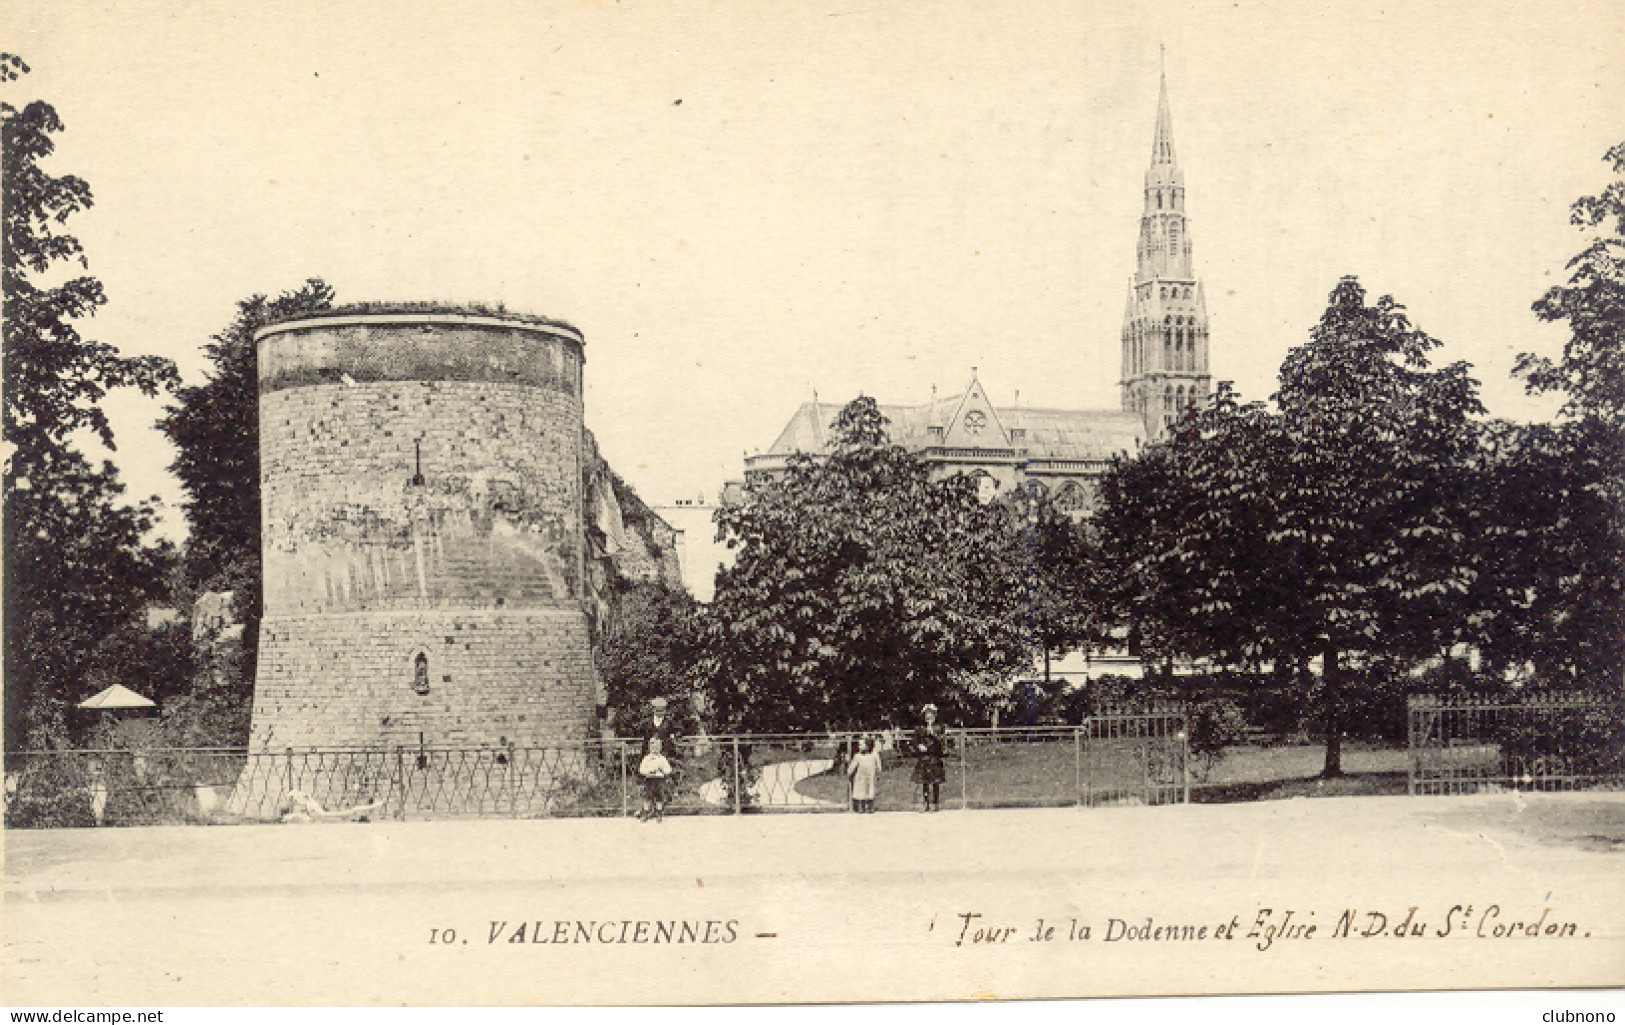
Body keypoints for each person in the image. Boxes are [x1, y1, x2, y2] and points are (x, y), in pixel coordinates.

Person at [911, 704, 947, 812]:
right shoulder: (920, 728)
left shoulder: (939, 727)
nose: (928, 717)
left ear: (935, 716)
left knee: (936, 781)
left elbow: (942, 742)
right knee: (925, 781)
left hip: (934, 756)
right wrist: (918, 746)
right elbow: (914, 741)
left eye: (931, 714)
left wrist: (934, 734)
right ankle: (925, 803)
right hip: (924, 757)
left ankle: (935, 803)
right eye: (927, 714)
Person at [637, 735, 673, 822]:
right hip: (649, 779)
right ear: (649, 748)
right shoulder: (647, 759)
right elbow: (641, 769)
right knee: (648, 797)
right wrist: (649, 771)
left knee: (659, 797)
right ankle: (645, 814)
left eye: (657, 748)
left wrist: (662, 769)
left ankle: (659, 814)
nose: (655, 750)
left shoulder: (662, 759)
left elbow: (668, 770)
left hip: (659, 779)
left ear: (660, 748)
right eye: (653, 748)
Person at [846, 734, 882, 813]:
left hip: (870, 776)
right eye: (859, 745)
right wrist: (849, 772)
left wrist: (878, 772)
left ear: (868, 746)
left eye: (861, 745)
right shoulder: (858, 756)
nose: (859, 746)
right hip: (860, 777)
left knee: (870, 791)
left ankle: (870, 807)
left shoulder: (874, 755)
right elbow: (852, 767)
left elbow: (878, 765)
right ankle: (861, 807)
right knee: (860, 791)